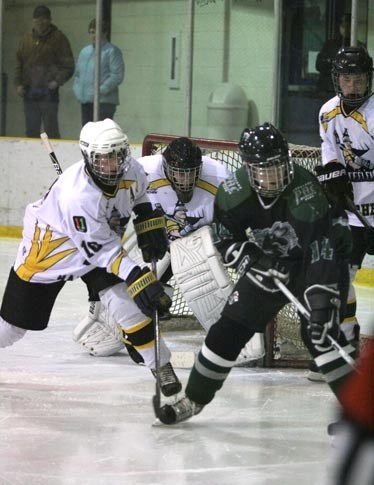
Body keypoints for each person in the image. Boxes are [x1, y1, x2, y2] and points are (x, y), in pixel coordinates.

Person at [152, 122, 357, 425]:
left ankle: (360, 414)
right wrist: (247, 256)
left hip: (317, 264)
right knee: (227, 330)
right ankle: (193, 400)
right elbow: (224, 236)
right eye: (264, 170)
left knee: (321, 336)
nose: (273, 176)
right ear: (249, 169)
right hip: (269, 263)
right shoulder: (233, 192)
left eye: (278, 167)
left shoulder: (305, 192)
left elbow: (321, 253)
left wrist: (322, 304)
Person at [0, 118, 181, 398]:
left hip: (100, 241)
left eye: (118, 155)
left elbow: (143, 193)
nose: (113, 164)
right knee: (14, 328)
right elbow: (102, 251)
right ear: (88, 158)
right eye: (104, 158)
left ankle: (161, 365)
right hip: (51, 250)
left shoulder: (131, 170)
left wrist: (148, 218)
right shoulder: (78, 196)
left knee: (123, 302)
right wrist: (137, 275)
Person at [73, 137, 259, 365]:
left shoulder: (219, 177)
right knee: (139, 283)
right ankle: (132, 329)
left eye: (190, 173)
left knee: (198, 269)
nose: (185, 179)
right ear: (165, 167)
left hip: (203, 244)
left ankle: (234, 334)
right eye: (179, 173)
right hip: (160, 243)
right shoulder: (143, 171)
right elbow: (113, 215)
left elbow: (237, 222)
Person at [309, 45, 374, 381]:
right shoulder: (328, 112)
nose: (353, 86)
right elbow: (329, 149)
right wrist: (333, 173)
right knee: (341, 277)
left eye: (359, 78)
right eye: (347, 79)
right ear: (337, 80)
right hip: (351, 216)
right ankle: (344, 344)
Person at [14, 5, 75, 138]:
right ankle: (31, 157)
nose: (40, 23)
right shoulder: (26, 39)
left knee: (51, 129)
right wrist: (18, 83)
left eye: (44, 19)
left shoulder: (59, 39)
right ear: (33, 21)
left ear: (50, 21)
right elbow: (19, 62)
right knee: (31, 130)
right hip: (29, 91)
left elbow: (69, 66)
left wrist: (56, 81)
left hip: (49, 93)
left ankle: (53, 158)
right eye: (37, 20)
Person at [73, 18, 125, 127]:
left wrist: (100, 91)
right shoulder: (84, 51)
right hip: (86, 101)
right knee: (87, 135)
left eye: (97, 32)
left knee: (101, 134)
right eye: (92, 32)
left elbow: (117, 75)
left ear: (104, 32)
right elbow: (78, 74)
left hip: (104, 102)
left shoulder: (112, 51)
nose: (94, 35)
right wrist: (77, 91)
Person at [316, 13, 352, 95]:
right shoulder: (329, 45)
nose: (345, 29)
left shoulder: (356, 46)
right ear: (339, 27)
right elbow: (319, 65)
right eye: (343, 26)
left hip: (346, 91)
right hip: (327, 89)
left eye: (348, 26)